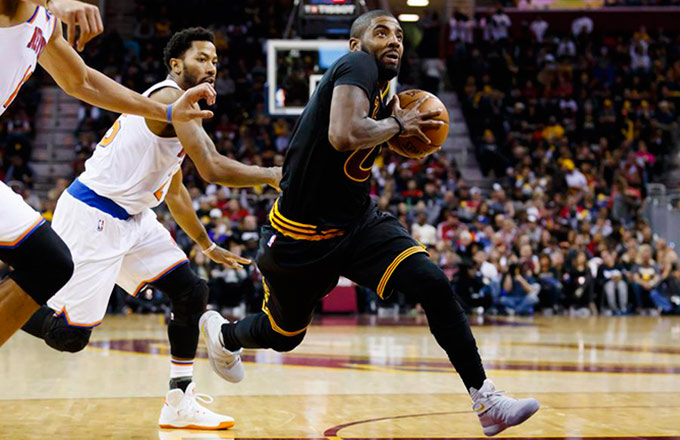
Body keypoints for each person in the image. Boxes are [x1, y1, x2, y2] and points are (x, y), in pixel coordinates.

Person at [199, 10, 539, 437]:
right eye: (381, 33)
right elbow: (343, 135)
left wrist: (393, 125)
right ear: (356, 45)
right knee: (283, 336)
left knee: (433, 283)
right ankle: (225, 336)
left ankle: (485, 399)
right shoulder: (356, 65)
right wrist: (397, 125)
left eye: (399, 35)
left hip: (357, 223)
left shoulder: (382, 91)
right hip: (299, 237)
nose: (394, 40)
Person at [20, 28, 281, 429]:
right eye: (201, 58)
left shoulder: (176, 112)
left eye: (214, 60)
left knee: (191, 291)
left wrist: (206, 244)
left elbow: (174, 190)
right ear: (176, 64)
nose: (211, 67)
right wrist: (272, 174)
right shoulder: (169, 99)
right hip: (95, 215)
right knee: (68, 336)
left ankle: (179, 401)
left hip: (134, 217)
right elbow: (212, 167)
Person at [0, 0, 215, 348]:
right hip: (96, 208)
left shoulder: (45, 24)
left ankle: (181, 383)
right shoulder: (16, 9)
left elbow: (83, 81)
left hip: (128, 216)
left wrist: (165, 112)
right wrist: (55, 2)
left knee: (51, 265)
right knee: (59, 301)